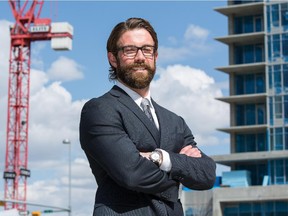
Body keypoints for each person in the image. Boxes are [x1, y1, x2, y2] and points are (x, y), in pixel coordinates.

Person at [79, 17, 216, 216]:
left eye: (147, 49)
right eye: (130, 50)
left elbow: (207, 174)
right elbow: (132, 173)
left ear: (155, 56)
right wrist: (180, 172)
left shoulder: (175, 121)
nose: (140, 57)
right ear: (113, 58)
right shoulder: (100, 110)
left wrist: (160, 158)